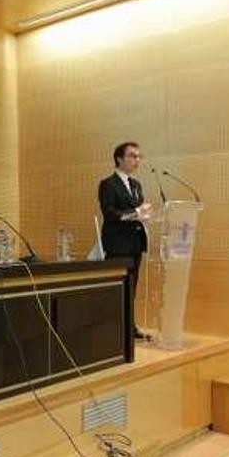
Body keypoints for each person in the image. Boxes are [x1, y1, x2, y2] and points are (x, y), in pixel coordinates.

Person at [98, 142, 154, 338]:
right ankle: (112, 329)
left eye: (139, 156)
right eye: (132, 156)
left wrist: (145, 216)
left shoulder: (136, 185)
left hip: (135, 243)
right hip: (117, 244)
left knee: (131, 287)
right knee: (116, 288)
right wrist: (137, 212)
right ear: (119, 159)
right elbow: (111, 213)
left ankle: (129, 327)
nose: (137, 160)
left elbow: (135, 214)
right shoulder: (108, 184)